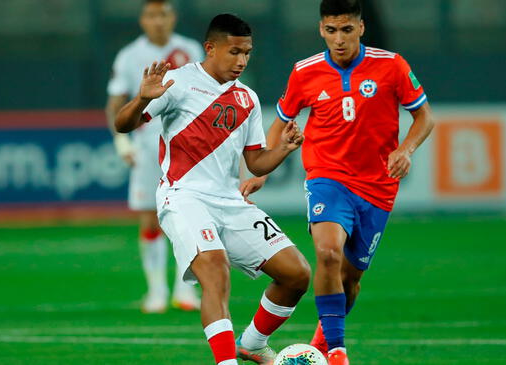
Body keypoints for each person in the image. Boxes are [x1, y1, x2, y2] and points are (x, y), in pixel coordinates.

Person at [241, 1, 435, 364]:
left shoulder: (392, 65)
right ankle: (338, 354)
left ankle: (320, 344)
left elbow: (424, 116)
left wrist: (406, 149)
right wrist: (262, 169)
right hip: (326, 177)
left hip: (378, 186)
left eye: (346, 30)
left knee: (351, 278)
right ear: (321, 30)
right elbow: (282, 121)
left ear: (361, 28)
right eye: (331, 30)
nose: (339, 39)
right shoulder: (305, 71)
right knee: (328, 253)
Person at [115, 14, 311, 365]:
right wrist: (142, 99)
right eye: (234, 51)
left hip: (230, 202)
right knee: (215, 268)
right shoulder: (178, 81)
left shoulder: (247, 99)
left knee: (296, 274)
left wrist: (283, 149)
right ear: (211, 48)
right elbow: (123, 123)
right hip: (183, 196)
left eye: (247, 53)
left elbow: (256, 163)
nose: (241, 60)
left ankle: (251, 344)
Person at [105, 0, 204, 313]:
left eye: (163, 14)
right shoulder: (129, 55)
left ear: (172, 17)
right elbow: (115, 101)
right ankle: (156, 291)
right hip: (148, 144)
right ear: (143, 19)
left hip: (186, 143)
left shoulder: (191, 50)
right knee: (150, 217)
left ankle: (184, 290)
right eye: (151, 15)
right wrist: (122, 143)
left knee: (190, 217)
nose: (158, 21)